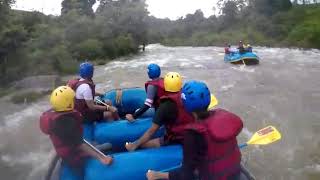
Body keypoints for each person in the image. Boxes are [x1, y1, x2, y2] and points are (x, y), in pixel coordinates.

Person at [146, 80, 243, 180]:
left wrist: (158, 175)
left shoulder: (193, 133)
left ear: (185, 104)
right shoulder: (223, 117)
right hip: (235, 173)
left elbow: (186, 175)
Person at [40, 86, 113, 176]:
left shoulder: (56, 113)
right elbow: (80, 144)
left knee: (95, 144)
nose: (74, 100)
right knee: (108, 146)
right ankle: (81, 175)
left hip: (66, 149)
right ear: (68, 103)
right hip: (73, 155)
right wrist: (102, 158)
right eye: (72, 99)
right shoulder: (66, 122)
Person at [125, 72, 195, 151]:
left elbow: (152, 131)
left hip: (177, 138)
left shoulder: (165, 106)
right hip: (191, 134)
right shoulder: (188, 98)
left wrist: (135, 144)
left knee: (143, 145)